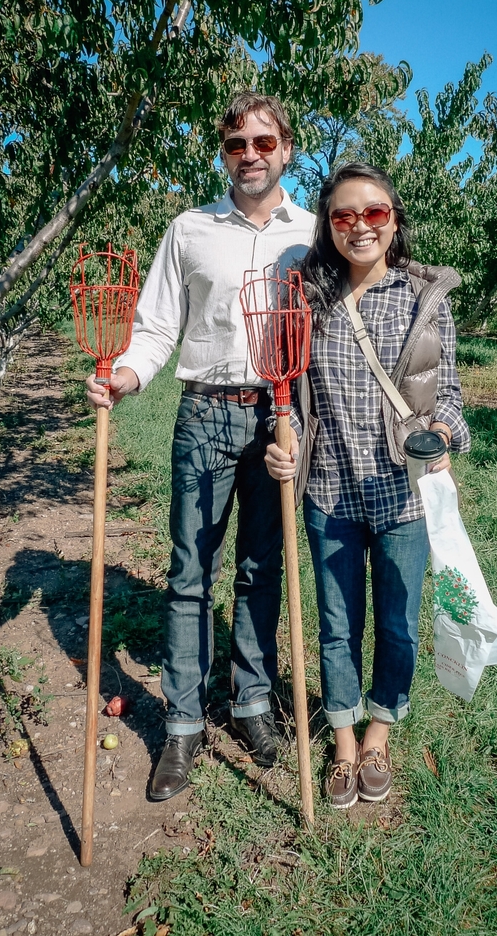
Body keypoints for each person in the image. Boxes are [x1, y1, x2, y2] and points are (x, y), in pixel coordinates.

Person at [86, 93, 315, 800]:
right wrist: (125, 373)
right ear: (223, 154)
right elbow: (156, 325)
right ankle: (182, 723)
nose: (249, 153)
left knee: (260, 568)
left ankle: (250, 703)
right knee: (190, 574)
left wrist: (305, 423)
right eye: (235, 143)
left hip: (279, 417)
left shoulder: (311, 233)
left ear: (286, 150)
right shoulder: (190, 229)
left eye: (262, 141)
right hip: (206, 416)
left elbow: (329, 335)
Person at [265, 163, 470, 808]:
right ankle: (345, 741)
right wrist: (286, 441)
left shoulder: (423, 299)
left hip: (402, 494)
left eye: (374, 213)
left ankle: (381, 732)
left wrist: (441, 431)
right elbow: (291, 392)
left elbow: (452, 397)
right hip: (329, 491)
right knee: (336, 622)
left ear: (394, 221)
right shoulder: (308, 297)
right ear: (328, 226)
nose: (360, 227)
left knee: (398, 624)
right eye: (344, 215)